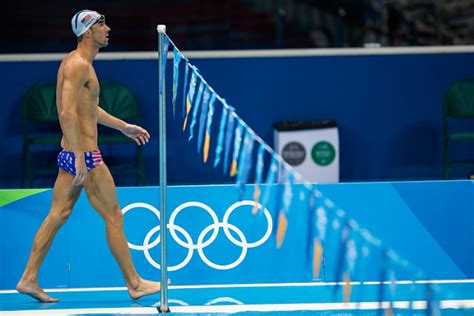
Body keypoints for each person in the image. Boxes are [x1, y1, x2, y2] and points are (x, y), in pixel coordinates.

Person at [16, 9, 162, 303]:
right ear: (86, 32)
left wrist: (124, 127)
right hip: (85, 155)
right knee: (113, 216)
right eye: (101, 24)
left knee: (58, 215)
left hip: (73, 152)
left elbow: (88, 110)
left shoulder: (81, 64)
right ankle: (134, 283)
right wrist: (82, 156)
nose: (107, 29)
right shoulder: (77, 65)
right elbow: (66, 113)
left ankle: (28, 278)